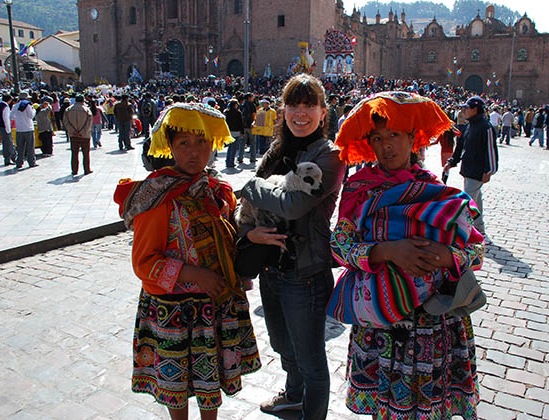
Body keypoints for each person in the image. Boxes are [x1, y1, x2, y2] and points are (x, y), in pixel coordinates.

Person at [329, 91, 484, 420]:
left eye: (395, 136)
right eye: (377, 138)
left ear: (413, 138)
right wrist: (386, 251)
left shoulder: (437, 191)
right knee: (384, 411)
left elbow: (475, 247)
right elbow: (340, 245)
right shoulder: (360, 188)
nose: (386, 146)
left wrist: (447, 257)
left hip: (433, 323)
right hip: (381, 324)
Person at [113, 102, 261, 420]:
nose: (194, 152)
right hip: (172, 311)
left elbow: (229, 242)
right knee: (175, 388)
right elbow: (144, 262)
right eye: (184, 143)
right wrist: (194, 274)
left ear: (213, 144)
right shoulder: (157, 196)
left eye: (201, 142)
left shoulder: (218, 192)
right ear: (170, 146)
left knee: (211, 390)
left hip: (213, 306)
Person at [238, 74, 345, 420]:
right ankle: (293, 396)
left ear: (322, 111)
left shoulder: (330, 156)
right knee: (284, 346)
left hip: (305, 274)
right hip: (271, 268)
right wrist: (248, 237)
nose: (301, 113)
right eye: (294, 105)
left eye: (309, 105)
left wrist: (253, 185)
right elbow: (257, 209)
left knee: (311, 358)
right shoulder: (276, 150)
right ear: (283, 110)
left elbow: (293, 204)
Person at [445, 96, 498, 235]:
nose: (464, 111)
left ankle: (461, 229)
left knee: (466, 200)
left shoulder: (486, 127)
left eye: (466, 108)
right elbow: (460, 146)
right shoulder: (469, 126)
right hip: (468, 168)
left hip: (478, 170)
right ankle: (479, 227)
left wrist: (490, 170)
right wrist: (451, 162)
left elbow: (491, 150)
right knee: (476, 199)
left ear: (475, 109)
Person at [63, 94, 93, 176]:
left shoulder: (68, 109)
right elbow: (89, 123)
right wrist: (82, 132)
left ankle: (74, 170)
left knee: (74, 154)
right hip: (85, 135)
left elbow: (65, 122)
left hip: (73, 135)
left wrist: (73, 131)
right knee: (86, 153)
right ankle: (87, 169)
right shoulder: (86, 110)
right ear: (83, 100)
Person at [12, 91, 38, 169]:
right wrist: (34, 110)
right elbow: (31, 116)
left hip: (19, 129)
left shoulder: (15, 106)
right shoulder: (28, 105)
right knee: (30, 147)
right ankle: (31, 162)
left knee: (20, 147)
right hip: (28, 128)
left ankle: (19, 162)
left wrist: (18, 119)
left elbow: (11, 117)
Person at [224, 98, 244, 168]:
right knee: (234, 148)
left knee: (230, 147)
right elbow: (241, 123)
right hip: (236, 131)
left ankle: (227, 161)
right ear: (235, 105)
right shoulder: (238, 113)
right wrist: (242, 132)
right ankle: (231, 162)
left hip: (229, 131)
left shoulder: (227, 112)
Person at [0, 93, 16, 166]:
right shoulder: (5, 106)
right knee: (8, 143)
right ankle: (9, 158)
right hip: (5, 127)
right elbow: (6, 119)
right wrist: (8, 129)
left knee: (6, 143)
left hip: (0, 126)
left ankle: (10, 157)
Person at [240, 92, 256, 163]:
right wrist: (253, 122)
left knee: (242, 143)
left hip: (243, 127)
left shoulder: (241, 105)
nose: (253, 98)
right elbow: (254, 116)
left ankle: (240, 158)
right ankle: (252, 158)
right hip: (250, 126)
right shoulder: (252, 105)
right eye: (252, 97)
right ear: (249, 98)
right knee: (253, 143)